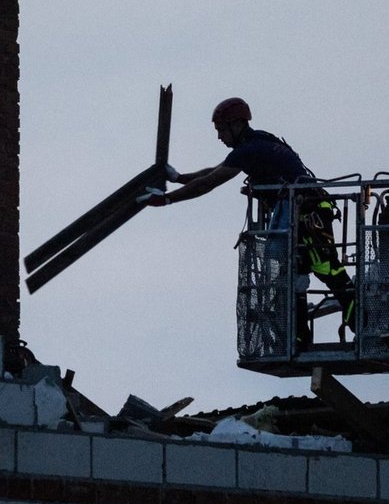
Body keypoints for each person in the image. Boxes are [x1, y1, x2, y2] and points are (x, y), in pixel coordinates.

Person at [147, 97, 355, 344]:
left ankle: (365, 326)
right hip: (305, 212)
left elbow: (210, 182)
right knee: (293, 275)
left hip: (307, 216)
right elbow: (215, 171)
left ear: (236, 124)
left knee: (329, 272)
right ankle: (299, 339)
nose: (219, 137)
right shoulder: (258, 141)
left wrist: (167, 200)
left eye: (221, 130)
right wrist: (180, 178)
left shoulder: (250, 150)